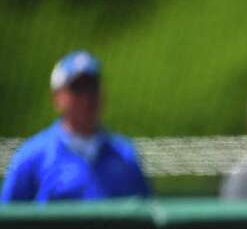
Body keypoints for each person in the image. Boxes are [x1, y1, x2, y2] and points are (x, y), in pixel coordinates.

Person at [1, 50, 151, 202]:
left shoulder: (125, 155)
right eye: (77, 88)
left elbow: (146, 214)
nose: (87, 96)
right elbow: (8, 218)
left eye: (92, 86)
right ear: (57, 97)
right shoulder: (33, 156)